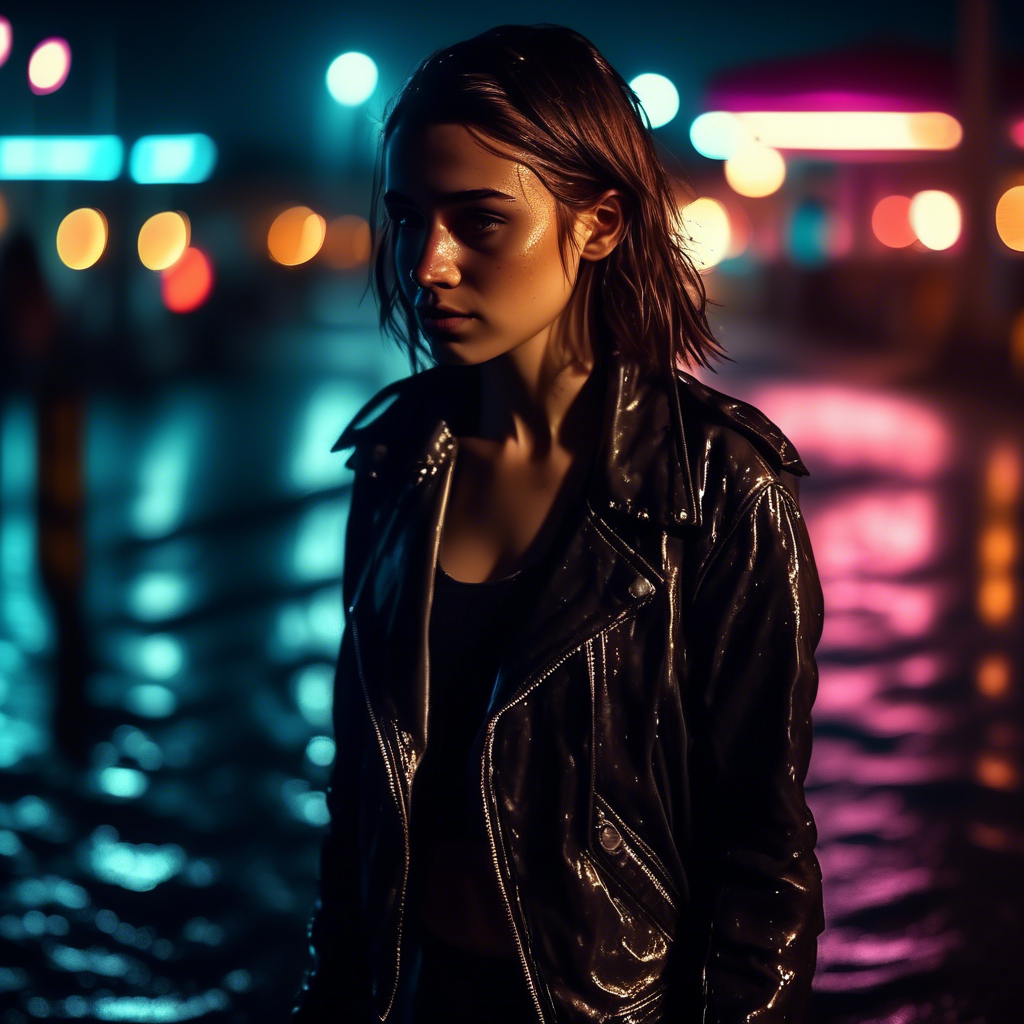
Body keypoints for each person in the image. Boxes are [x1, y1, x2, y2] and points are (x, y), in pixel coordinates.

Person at [291, 23, 825, 1024]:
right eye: (409, 220)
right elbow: (361, 803)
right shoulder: (397, 462)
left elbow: (763, 861)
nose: (429, 264)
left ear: (600, 224)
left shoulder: (719, 488)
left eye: (480, 222)